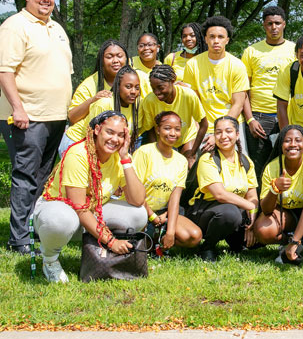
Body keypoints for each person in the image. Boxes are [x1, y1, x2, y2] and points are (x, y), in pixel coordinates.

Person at [0, 0, 73, 255]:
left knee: (41, 178)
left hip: (55, 117)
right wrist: (18, 108)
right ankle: (18, 240)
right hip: (27, 116)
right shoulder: (15, 26)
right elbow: (4, 70)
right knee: (25, 176)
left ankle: (32, 229)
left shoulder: (57, 28)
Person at [33, 111, 147, 283]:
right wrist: (111, 241)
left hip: (93, 212)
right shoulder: (78, 154)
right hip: (61, 210)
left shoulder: (119, 156)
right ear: (97, 130)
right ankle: (49, 260)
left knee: (139, 213)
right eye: (110, 132)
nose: (115, 140)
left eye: (121, 135)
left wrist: (125, 159)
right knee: (60, 220)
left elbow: (138, 200)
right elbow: (79, 207)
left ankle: (103, 256)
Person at [253, 125, 303, 273]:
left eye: (298, 140)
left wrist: (295, 241)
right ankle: (289, 244)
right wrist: (274, 189)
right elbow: (266, 210)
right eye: (287, 140)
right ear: (280, 144)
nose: (293, 144)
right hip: (288, 213)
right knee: (263, 230)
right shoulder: (272, 167)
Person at [186, 116, 258, 261]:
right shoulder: (208, 159)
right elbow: (220, 194)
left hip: (235, 210)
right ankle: (208, 247)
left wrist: (254, 219)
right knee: (231, 213)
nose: (223, 136)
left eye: (228, 131)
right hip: (204, 211)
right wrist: (250, 206)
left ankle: (239, 243)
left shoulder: (246, 161)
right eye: (218, 132)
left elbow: (252, 195)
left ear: (237, 134)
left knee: (263, 218)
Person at [241, 6, 297, 179]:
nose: (274, 27)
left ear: (284, 24)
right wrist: (250, 119)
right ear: (264, 26)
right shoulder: (251, 51)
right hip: (259, 117)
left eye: (278, 23)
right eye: (270, 24)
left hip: (287, 115)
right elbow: (243, 90)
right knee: (258, 166)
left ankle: (286, 204)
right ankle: (257, 205)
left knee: (287, 164)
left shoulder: (294, 50)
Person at [134, 111, 202, 250]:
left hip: (163, 213)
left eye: (177, 129)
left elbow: (175, 198)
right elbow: (135, 192)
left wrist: (170, 231)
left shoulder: (181, 161)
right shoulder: (144, 152)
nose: (172, 133)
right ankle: (148, 241)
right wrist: (152, 216)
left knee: (194, 236)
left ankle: (159, 242)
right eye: (167, 128)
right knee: (138, 242)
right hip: (140, 208)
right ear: (158, 130)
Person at [183, 16, 250, 152]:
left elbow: (238, 104)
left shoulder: (237, 65)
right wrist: (199, 129)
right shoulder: (192, 65)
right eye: (212, 37)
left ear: (227, 40)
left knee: (237, 166)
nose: (216, 41)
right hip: (203, 126)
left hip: (231, 125)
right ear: (206, 39)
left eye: (220, 37)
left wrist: (220, 133)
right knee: (204, 169)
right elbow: (193, 102)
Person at [59, 65, 141, 157]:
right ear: (118, 86)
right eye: (128, 87)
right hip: (78, 143)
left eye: (137, 88)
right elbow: (91, 136)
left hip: (103, 147)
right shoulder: (104, 103)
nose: (134, 91)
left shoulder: (135, 107)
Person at [68, 40, 150, 125]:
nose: (115, 60)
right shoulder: (90, 84)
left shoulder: (140, 78)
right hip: (90, 135)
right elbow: (72, 117)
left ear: (126, 59)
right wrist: (93, 100)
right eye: (109, 57)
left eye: (119, 56)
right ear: (101, 60)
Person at [141, 64, 204, 168]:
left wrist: (193, 153)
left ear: (172, 81)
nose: (157, 92)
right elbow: (150, 129)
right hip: (163, 139)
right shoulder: (149, 101)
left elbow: (204, 124)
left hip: (186, 137)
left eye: (161, 87)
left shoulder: (188, 95)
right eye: (153, 88)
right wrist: (156, 152)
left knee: (189, 164)